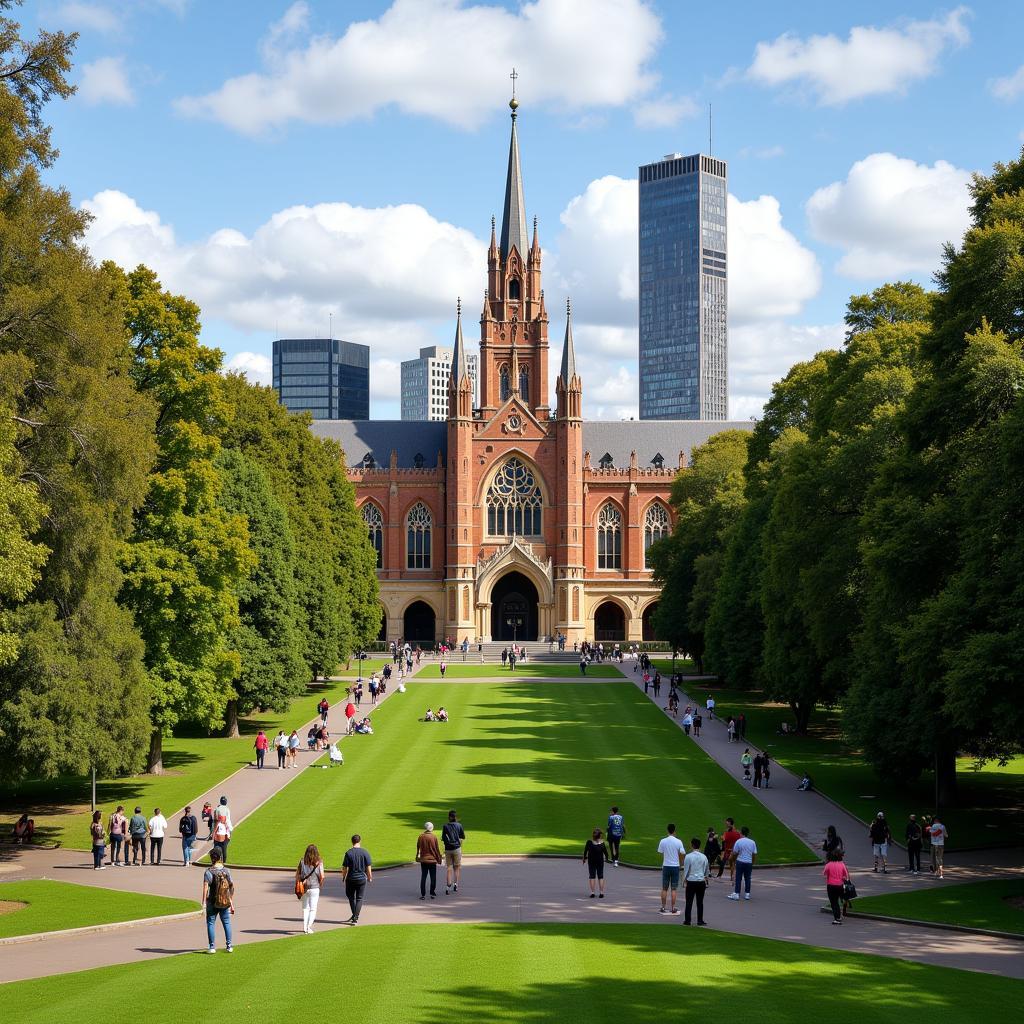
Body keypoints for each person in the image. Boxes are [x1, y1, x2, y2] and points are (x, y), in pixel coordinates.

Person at [202, 848, 234, 952]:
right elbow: (231, 887)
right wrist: (231, 901)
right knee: (226, 922)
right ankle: (229, 945)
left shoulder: (208, 872)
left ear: (212, 858)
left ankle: (212, 947)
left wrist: (203, 902)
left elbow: (205, 888)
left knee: (211, 923)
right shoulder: (226, 870)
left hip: (212, 901)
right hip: (225, 901)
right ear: (220, 857)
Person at [341, 834, 373, 924]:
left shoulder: (348, 853)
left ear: (352, 841)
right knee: (359, 898)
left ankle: (355, 915)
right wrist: (370, 877)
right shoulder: (365, 852)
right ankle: (355, 916)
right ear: (360, 841)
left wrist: (344, 877)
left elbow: (345, 868)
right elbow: (368, 867)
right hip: (362, 878)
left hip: (351, 878)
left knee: (350, 897)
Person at [296, 843, 325, 933]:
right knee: (313, 908)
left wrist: (298, 883)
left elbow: (297, 874)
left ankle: (305, 927)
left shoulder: (302, 861)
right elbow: (322, 876)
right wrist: (320, 884)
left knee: (305, 908)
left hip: (304, 887)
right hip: (314, 887)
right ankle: (309, 927)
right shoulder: (319, 862)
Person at [657, 823, 685, 915]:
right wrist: (681, 863)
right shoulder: (678, 841)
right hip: (675, 867)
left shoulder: (663, 841)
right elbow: (682, 853)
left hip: (666, 866)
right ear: (674, 831)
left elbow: (660, 852)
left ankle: (663, 907)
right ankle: (673, 908)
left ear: (667, 830)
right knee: (673, 889)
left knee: (664, 888)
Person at [682, 837, 710, 925]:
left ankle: (687, 920)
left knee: (689, 901)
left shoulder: (688, 856)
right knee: (700, 902)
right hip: (701, 881)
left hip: (691, 881)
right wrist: (705, 877)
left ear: (692, 845)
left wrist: (683, 881)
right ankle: (700, 920)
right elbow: (706, 870)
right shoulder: (704, 857)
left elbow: (686, 870)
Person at [727, 826, 757, 900]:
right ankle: (747, 894)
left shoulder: (738, 841)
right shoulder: (752, 842)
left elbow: (734, 853)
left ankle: (737, 893)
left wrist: (732, 861)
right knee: (748, 878)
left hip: (740, 861)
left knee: (738, 878)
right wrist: (752, 862)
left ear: (741, 833)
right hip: (748, 862)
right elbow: (754, 854)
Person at [415, 822, 443, 900]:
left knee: (424, 876)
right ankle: (432, 892)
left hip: (424, 859)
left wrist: (417, 855)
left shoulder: (421, 836)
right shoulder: (433, 837)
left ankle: (423, 894)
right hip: (432, 860)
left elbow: (418, 847)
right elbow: (436, 849)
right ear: (431, 828)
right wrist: (439, 859)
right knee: (433, 876)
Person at [823, 849, 850, 925]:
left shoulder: (829, 864)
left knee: (833, 902)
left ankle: (837, 918)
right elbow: (846, 875)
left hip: (831, 885)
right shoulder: (842, 864)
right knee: (837, 901)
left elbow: (824, 873)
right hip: (840, 885)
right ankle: (839, 915)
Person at [442, 809, 466, 893]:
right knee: (457, 867)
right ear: (455, 817)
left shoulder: (445, 826)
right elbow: (463, 837)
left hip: (448, 849)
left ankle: (448, 885)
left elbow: (443, 838)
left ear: (449, 817)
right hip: (457, 849)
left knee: (449, 868)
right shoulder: (459, 825)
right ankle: (455, 884)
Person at [583, 828, 610, 898]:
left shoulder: (589, 842)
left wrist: (584, 859)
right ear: (600, 836)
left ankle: (592, 893)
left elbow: (585, 851)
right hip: (600, 862)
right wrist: (606, 859)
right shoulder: (602, 843)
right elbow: (606, 853)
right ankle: (601, 893)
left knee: (592, 876)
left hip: (591, 862)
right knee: (601, 876)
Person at [212, 796, 233, 864]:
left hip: (217, 832)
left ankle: (215, 862)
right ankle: (224, 863)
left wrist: (213, 833)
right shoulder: (227, 809)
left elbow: (215, 821)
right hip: (225, 832)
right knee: (224, 849)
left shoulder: (217, 809)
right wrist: (230, 830)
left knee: (216, 848)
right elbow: (228, 820)